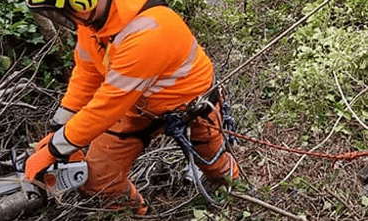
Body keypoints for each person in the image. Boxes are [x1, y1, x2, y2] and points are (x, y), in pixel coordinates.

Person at [24, 0, 239, 215]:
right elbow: (86, 75)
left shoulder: (149, 29)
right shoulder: (91, 25)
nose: (70, 20)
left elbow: (106, 107)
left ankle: (235, 200)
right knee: (98, 181)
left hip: (192, 105)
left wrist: (56, 148)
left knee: (215, 166)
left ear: (81, 3)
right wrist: (58, 127)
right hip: (137, 107)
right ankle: (136, 214)